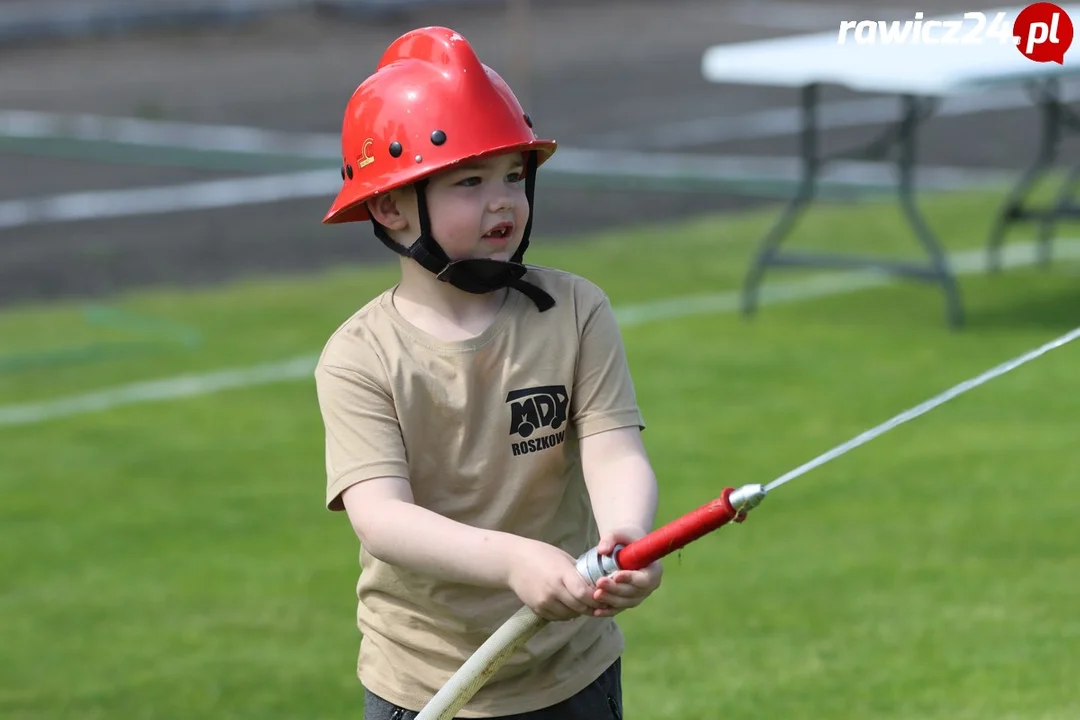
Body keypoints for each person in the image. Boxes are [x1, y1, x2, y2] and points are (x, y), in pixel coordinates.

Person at [313, 25, 663, 720]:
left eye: (513, 175)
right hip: (426, 681)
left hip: (571, 669)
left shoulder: (576, 309)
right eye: (470, 182)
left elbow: (615, 450)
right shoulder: (359, 356)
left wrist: (627, 535)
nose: (502, 201)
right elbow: (382, 518)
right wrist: (513, 560)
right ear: (389, 206)